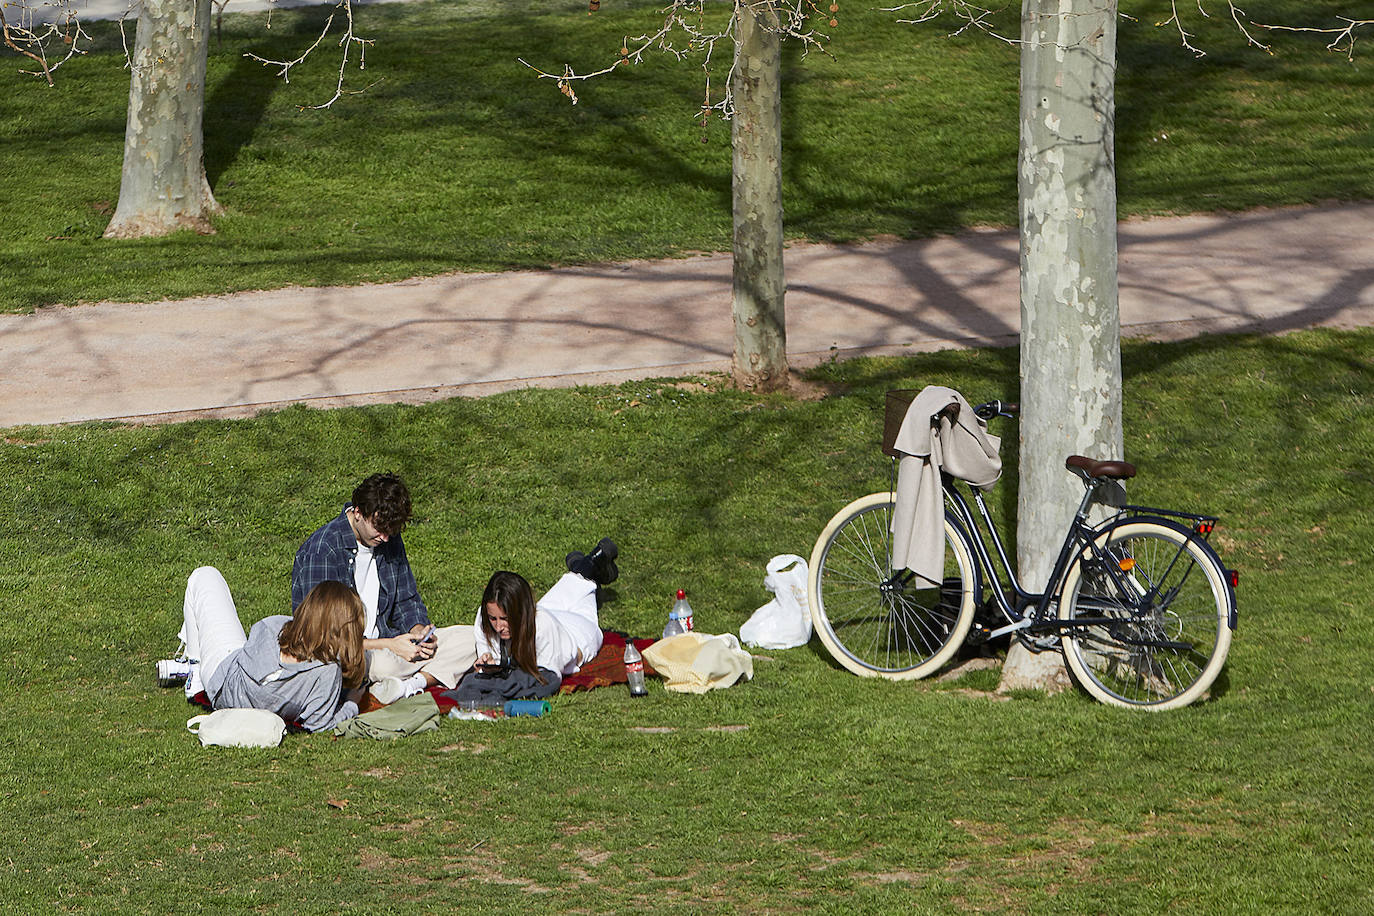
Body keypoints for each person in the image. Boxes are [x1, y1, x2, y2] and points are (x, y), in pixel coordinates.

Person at [291, 472, 475, 705]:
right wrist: (390, 645)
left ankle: (409, 684)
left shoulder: (389, 540)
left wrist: (419, 632)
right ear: (358, 512)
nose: (385, 537)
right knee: (384, 664)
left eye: (391, 530)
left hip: (391, 644)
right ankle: (409, 678)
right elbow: (321, 637)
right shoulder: (324, 550)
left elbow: (407, 600)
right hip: (350, 651)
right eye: (379, 528)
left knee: (470, 639)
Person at [157, 567, 366, 733]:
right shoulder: (327, 671)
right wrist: (352, 704)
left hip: (222, 677)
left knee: (205, 576)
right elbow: (319, 724)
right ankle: (194, 668)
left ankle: (194, 667)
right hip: (229, 686)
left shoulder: (273, 626)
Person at [449, 538, 618, 703]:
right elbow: (490, 652)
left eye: (505, 619)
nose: (499, 627)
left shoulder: (542, 627)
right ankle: (586, 565)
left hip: (577, 632)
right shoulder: (485, 616)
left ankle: (589, 568)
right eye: (494, 618)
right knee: (575, 582)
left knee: (585, 584)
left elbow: (548, 679)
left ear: (520, 612)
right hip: (549, 611)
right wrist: (487, 660)